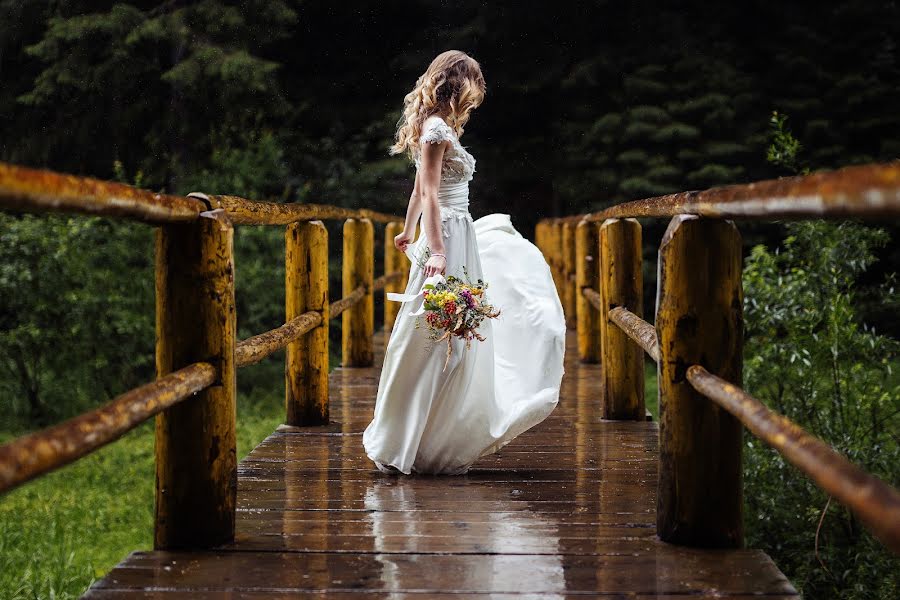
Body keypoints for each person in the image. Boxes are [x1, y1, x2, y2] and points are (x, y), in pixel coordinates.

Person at [362, 50, 565, 475]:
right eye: (474, 87)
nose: (476, 99)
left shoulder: (432, 126)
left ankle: (428, 431)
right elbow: (432, 194)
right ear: (460, 84)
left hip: (454, 232)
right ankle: (421, 435)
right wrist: (434, 249)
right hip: (449, 235)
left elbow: (419, 194)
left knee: (444, 329)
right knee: (443, 331)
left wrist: (406, 229)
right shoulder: (436, 130)